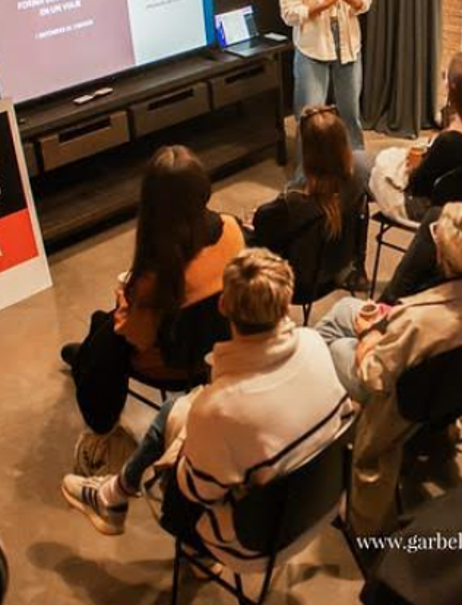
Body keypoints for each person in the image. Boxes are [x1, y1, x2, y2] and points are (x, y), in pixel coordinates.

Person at [61, 248, 355, 572]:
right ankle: (111, 496)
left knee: (180, 429)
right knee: (179, 410)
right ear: (286, 302)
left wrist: (186, 442)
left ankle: (118, 501)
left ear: (223, 306)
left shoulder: (222, 408)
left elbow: (192, 494)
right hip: (322, 502)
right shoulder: (313, 344)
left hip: (254, 542)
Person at [313, 202, 462, 534]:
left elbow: (373, 374)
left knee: (331, 344)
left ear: (441, 256)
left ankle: (365, 525)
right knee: (344, 307)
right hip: (456, 382)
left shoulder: (417, 319)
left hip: (404, 402)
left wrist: (369, 332)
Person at [62, 146, 246, 475]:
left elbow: (139, 336)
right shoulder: (232, 230)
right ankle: (87, 349)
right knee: (101, 328)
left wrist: (124, 297)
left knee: (107, 333)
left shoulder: (157, 277)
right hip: (220, 350)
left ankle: (97, 406)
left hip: (172, 366)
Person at [279, 0, 375, 156]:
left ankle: (357, 166)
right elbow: (289, 13)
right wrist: (323, 4)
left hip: (348, 43)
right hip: (312, 47)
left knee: (351, 113)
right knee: (308, 117)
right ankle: (304, 176)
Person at [246, 105, 369, 286]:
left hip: (300, 283)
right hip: (339, 266)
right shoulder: (358, 176)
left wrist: (251, 224)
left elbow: (264, 233)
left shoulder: (292, 205)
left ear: (307, 153)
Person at [369, 53, 462, 222]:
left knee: (360, 166)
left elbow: (416, 185)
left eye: (445, 77)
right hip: (459, 206)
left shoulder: (449, 141)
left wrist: (412, 167)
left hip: (425, 210)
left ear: (453, 87)